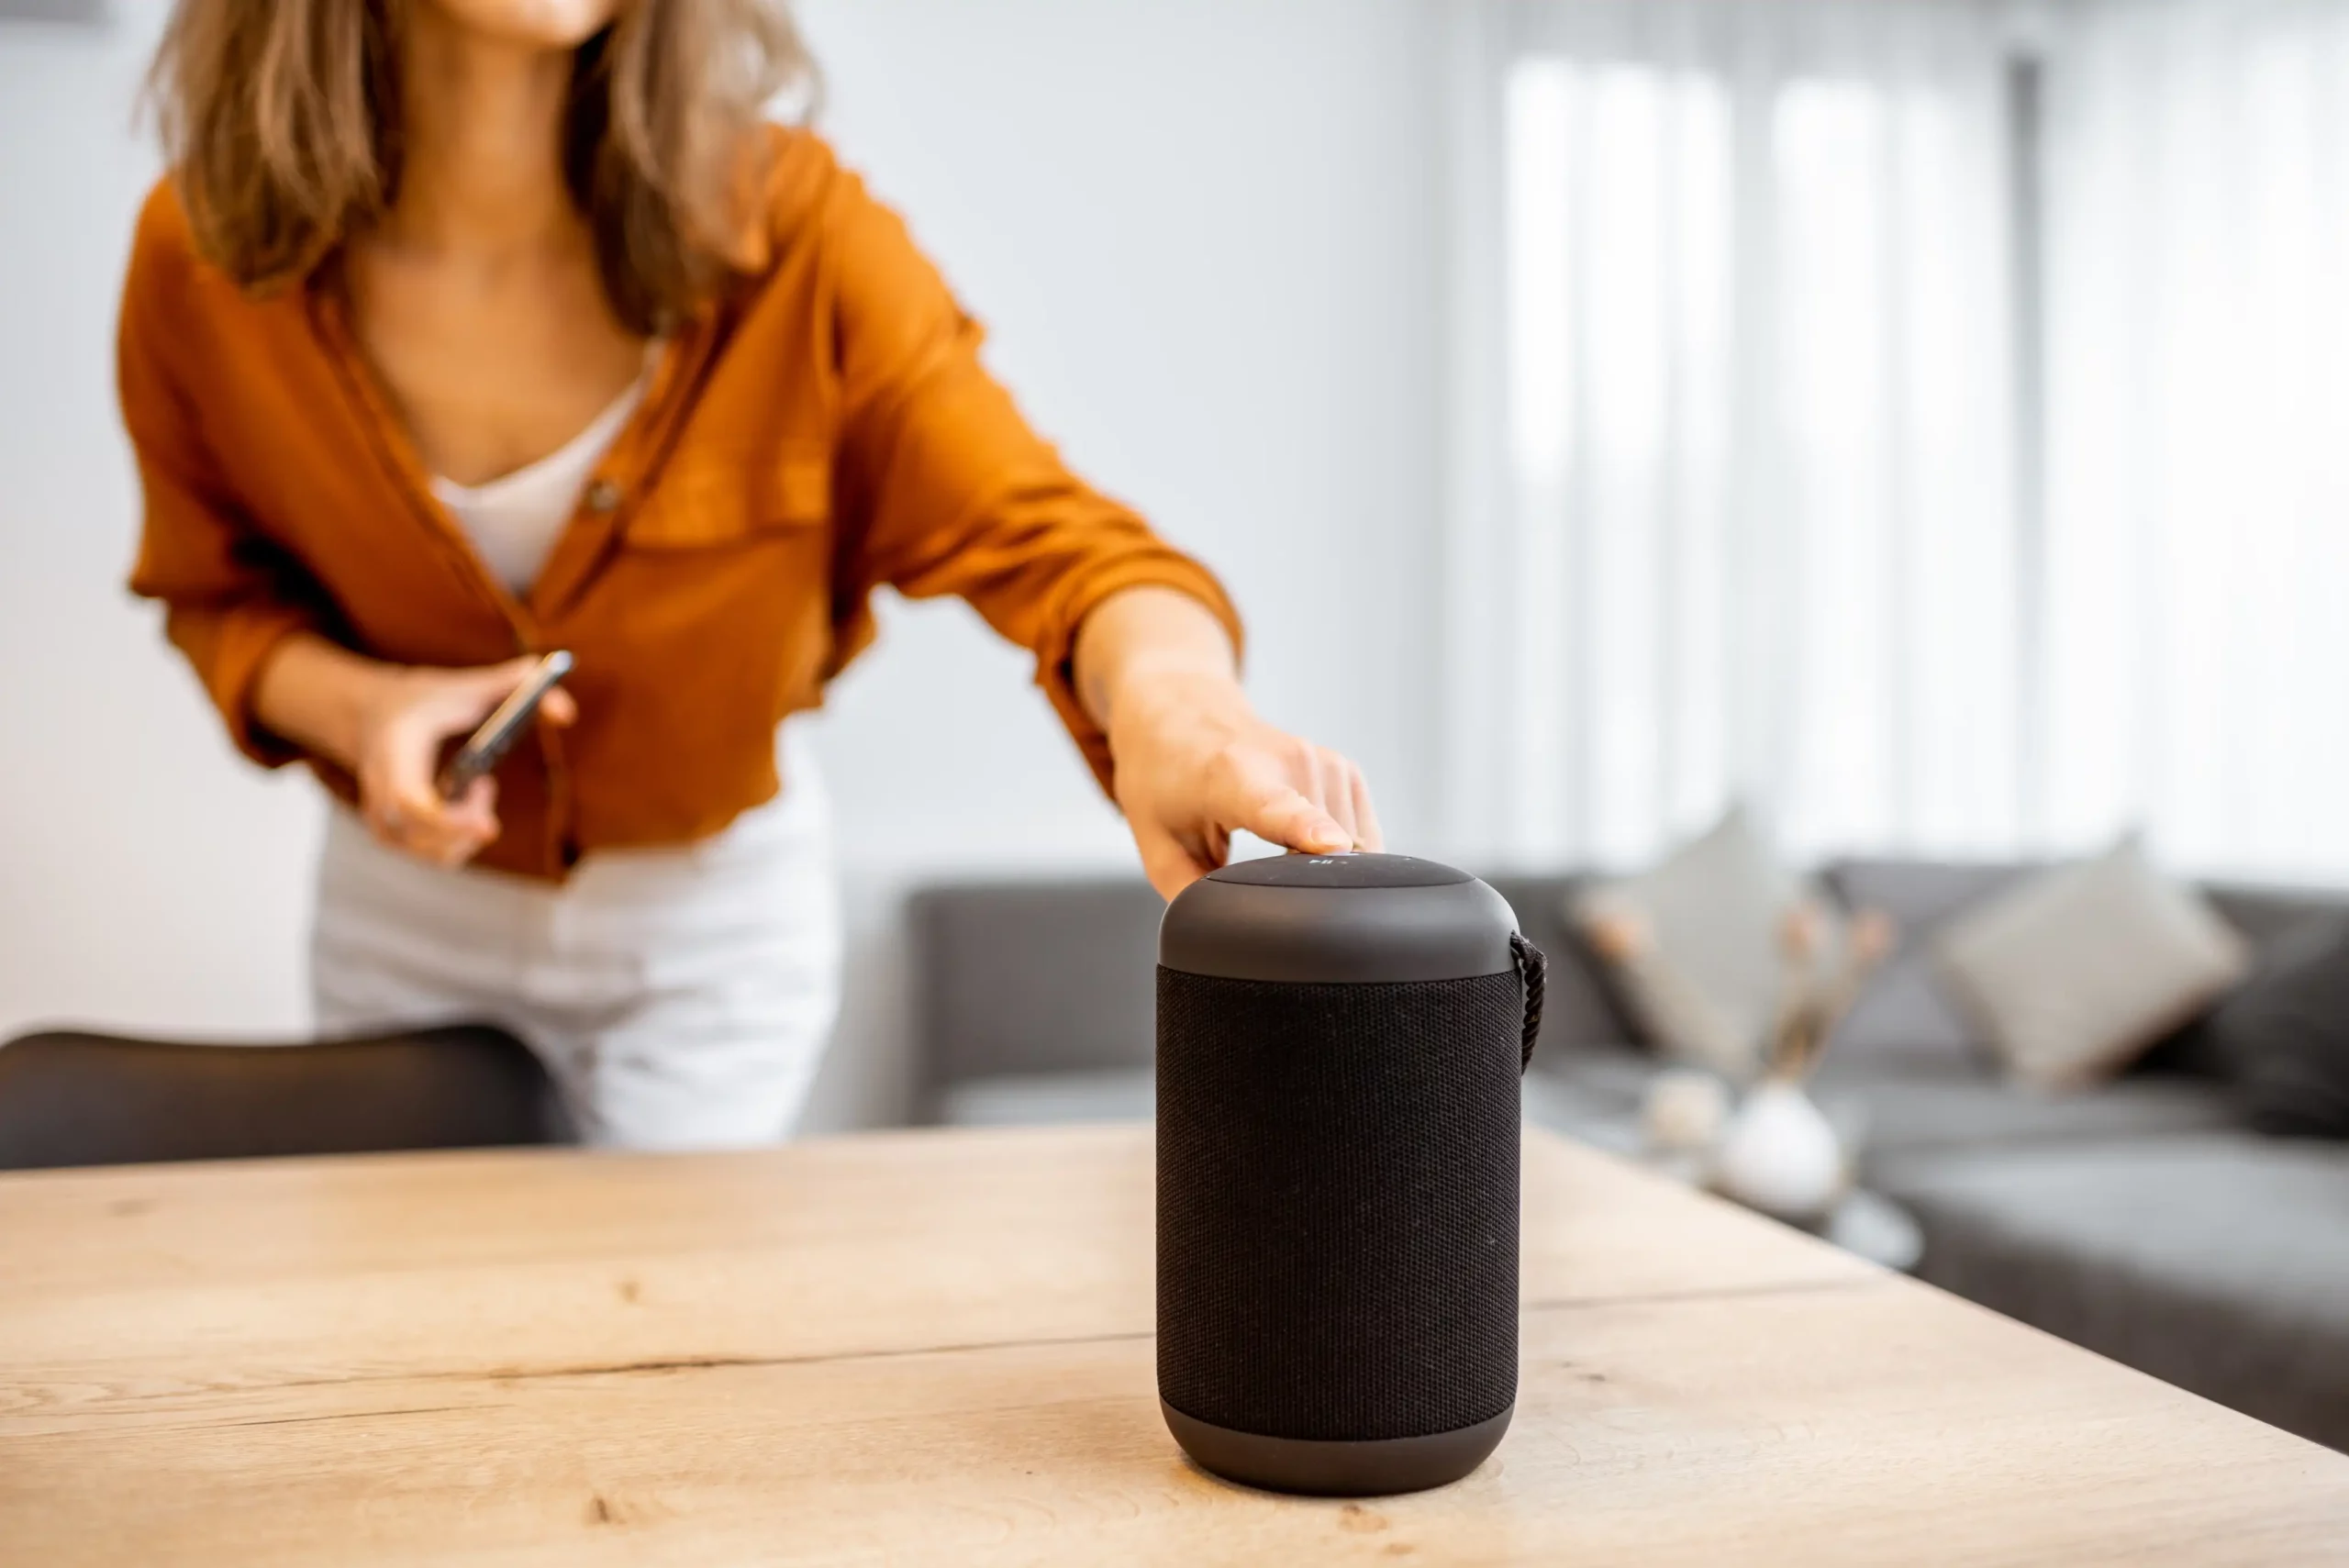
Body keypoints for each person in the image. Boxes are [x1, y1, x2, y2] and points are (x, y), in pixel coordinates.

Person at [122, 0, 1381, 1149]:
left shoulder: (800, 235)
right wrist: (361, 709)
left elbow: (1059, 547)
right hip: (400, 929)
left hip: (705, 952)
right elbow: (215, 600)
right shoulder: (199, 257)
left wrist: (1178, 710)